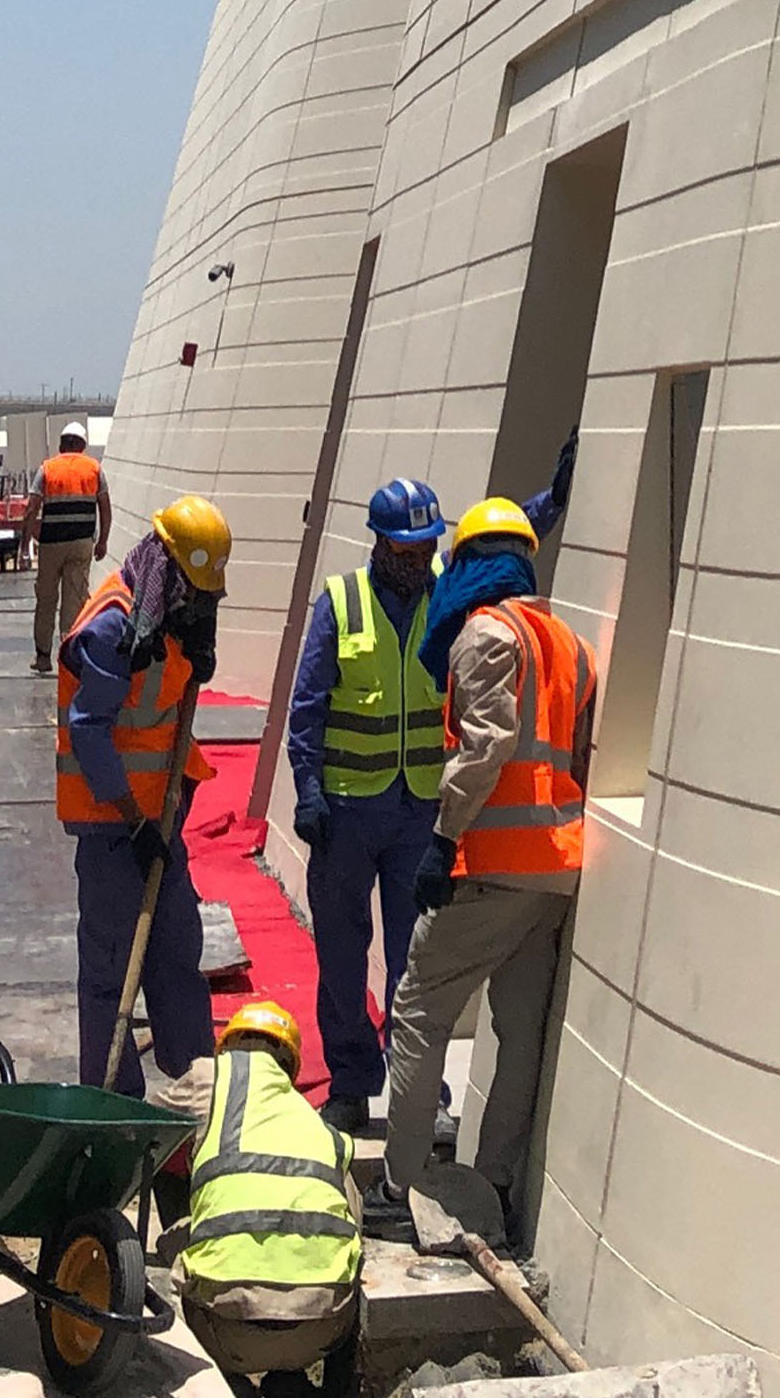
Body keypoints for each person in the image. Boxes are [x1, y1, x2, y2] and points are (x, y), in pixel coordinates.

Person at [286, 444, 572, 1133]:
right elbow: (307, 707)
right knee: (342, 951)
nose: (419, 560)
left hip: (420, 806)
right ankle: (352, 1084)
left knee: (417, 956)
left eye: (427, 547)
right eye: (406, 549)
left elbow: (501, 533)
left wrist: (556, 497)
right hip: (349, 808)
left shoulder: (450, 587)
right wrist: (307, 791)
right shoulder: (341, 602)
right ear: (379, 544)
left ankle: (418, 1090)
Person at [374, 497, 593, 1239]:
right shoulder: (565, 642)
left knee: (417, 1009)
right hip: (557, 866)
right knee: (520, 1025)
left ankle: (398, 1187)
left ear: (464, 564)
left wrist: (443, 839)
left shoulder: (487, 633)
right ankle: (494, 1181)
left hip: (495, 861)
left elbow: (488, 743)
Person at [61, 494, 230, 1097]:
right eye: (192, 588)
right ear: (164, 567)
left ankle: (197, 1087)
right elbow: (89, 730)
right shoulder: (112, 626)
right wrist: (135, 822)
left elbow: (163, 713)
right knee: (110, 971)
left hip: (159, 821)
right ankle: (114, 1101)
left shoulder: (173, 620)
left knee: (177, 952)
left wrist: (164, 815)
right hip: (113, 826)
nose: (200, 603)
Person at [174, 999, 362, 1395]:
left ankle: (224, 1383)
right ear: (290, 1065)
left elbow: (144, 1130)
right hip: (321, 1332)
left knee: (167, 1165)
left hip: (226, 1332)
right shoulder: (319, 1127)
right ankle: (325, 1388)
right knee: (346, 1208)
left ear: (228, 1046)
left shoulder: (211, 1076)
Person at [29, 423, 111, 672]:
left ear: (62, 444)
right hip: (81, 543)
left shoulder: (47, 468)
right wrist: (103, 540)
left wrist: (31, 537)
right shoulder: (94, 469)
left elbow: (31, 509)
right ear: (83, 446)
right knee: (74, 599)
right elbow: (105, 509)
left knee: (46, 599)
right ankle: (70, 658)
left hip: (51, 544)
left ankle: (43, 658)